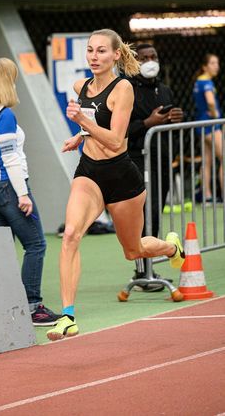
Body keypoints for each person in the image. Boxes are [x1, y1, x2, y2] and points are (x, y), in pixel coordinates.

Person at [46, 29, 185, 341]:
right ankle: (68, 316)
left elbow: (114, 140)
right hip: (89, 172)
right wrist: (78, 137)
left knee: (133, 250)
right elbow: (95, 127)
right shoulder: (80, 85)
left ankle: (172, 247)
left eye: (101, 52)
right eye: (90, 51)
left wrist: (83, 124)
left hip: (121, 176)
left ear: (116, 55)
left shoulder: (123, 89)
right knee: (70, 235)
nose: (94, 57)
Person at [0, 57, 60, 326]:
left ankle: (4, 305)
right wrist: (22, 193)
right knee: (36, 244)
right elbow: (10, 157)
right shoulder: (4, 114)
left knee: (5, 248)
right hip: (9, 185)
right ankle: (32, 306)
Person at [128, 44, 184, 291]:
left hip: (161, 159)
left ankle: (150, 268)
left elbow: (168, 123)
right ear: (134, 62)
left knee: (155, 213)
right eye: (144, 58)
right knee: (141, 215)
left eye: (154, 57)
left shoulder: (165, 90)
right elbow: (122, 129)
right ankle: (140, 272)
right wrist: (147, 122)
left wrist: (175, 120)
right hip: (136, 159)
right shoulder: (126, 90)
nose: (150, 61)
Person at [193, 53, 223, 201]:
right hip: (211, 125)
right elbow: (210, 102)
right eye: (212, 63)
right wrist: (215, 115)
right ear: (204, 67)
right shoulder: (207, 84)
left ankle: (207, 195)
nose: (216, 66)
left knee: (206, 161)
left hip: (201, 124)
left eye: (216, 63)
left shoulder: (198, 82)